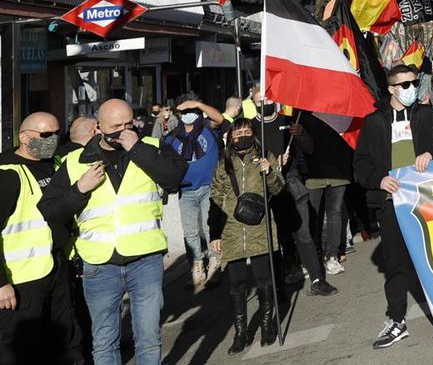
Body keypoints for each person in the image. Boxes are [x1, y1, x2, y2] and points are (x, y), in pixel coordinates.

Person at [40, 98, 184, 365]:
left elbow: (174, 178)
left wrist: (137, 149)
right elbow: (50, 210)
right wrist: (79, 189)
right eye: (116, 126)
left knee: (149, 339)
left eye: (129, 124)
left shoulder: (150, 147)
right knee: (105, 342)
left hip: (145, 259)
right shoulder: (74, 162)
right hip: (100, 264)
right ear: (98, 127)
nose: (123, 131)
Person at [354, 65, 433, 349]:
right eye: (404, 85)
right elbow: (360, 164)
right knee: (396, 264)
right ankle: (397, 321)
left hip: (426, 197)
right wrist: (379, 180)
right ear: (391, 89)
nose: (412, 88)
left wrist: (431, 152)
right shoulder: (374, 122)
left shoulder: (426, 114)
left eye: (414, 82)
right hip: (392, 204)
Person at [0, 112, 79, 364]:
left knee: (64, 341)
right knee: (22, 349)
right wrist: (1, 283)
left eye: (58, 133)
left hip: (56, 268)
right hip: (22, 280)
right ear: (24, 137)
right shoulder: (7, 173)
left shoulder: (56, 164)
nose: (54, 139)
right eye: (46, 135)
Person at [207, 120, 284, 353]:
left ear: (254, 134)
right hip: (231, 229)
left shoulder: (264, 157)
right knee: (237, 282)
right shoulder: (223, 165)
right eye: (237, 133)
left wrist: (268, 172)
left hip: (259, 228)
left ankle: (267, 325)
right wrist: (215, 233)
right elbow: (215, 199)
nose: (241, 136)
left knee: (263, 278)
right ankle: (241, 332)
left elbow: (279, 188)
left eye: (246, 132)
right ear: (230, 138)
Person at [257, 103, 336, 296]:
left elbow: (309, 148)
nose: (264, 104)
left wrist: (300, 134)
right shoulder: (250, 128)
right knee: (277, 239)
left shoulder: (289, 121)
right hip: (266, 190)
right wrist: (274, 163)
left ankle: (318, 280)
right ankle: (278, 287)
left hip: (293, 187)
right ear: (252, 101)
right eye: (260, 100)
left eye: (267, 100)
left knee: (304, 235)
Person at [164, 94, 222, 291]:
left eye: (191, 111)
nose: (188, 115)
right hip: (186, 190)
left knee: (209, 228)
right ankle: (197, 264)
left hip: (209, 186)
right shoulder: (172, 137)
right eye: (184, 111)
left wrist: (198, 103)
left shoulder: (207, 127)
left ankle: (215, 263)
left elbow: (220, 119)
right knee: (190, 232)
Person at [296, 113, 353, 279]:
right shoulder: (304, 114)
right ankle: (314, 258)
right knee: (313, 215)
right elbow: (308, 148)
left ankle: (332, 256)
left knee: (335, 213)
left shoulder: (340, 113)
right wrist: (301, 134)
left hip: (338, 170)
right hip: (314, 172)